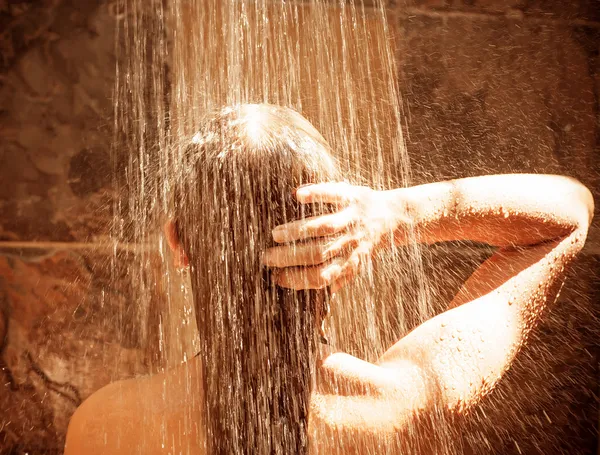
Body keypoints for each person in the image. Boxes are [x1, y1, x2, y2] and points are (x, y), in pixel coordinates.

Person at [64, 104, 594, 454]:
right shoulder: (400, 410)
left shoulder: (103, 428)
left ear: (178, 243)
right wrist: (393, 215)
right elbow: (570, 211)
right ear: (340, 244)